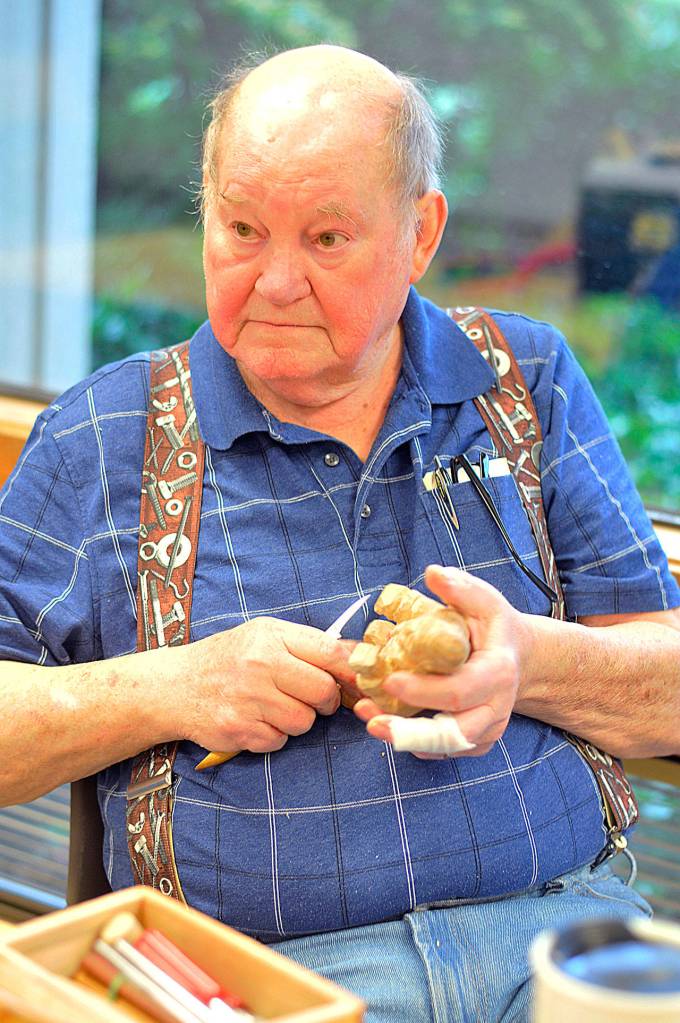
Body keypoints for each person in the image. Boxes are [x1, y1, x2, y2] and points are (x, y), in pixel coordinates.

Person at [1, 44, 679, 1023]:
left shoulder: (522, 380)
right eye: (242, 229)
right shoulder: (107, 435)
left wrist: (524, 662)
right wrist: (172, 686)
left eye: (326, 238)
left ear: (420, 233)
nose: (275, 282)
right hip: (272, 982)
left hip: (562, 941)